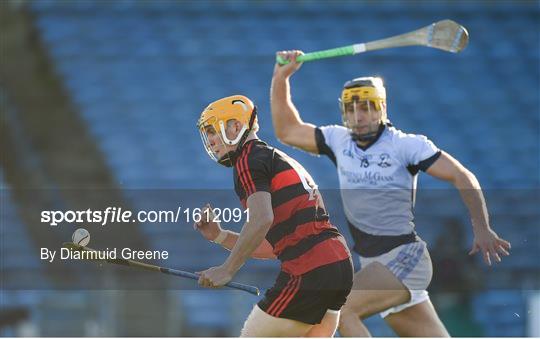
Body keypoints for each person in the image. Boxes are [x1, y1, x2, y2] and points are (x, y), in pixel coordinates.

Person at [270, 50, 512, 337]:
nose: (358, 116)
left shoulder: (406, 145)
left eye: (366, 107)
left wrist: (481, 226)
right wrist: (280, 78)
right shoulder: (338, 140)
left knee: (341, 308)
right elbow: (287, 131)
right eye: (351, 109)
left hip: (405, 258)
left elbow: (462, 175)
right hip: (373, 264)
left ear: (381, 108)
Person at [194, 94, 353, 337]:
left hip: (309, 270)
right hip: (338, 266)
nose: (211, 141)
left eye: (213, 131)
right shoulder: (272, 157)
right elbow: (272, 246)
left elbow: (261, 218)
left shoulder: (248, 159)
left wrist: (227, 269)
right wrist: (219, 235)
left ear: (236, 127)